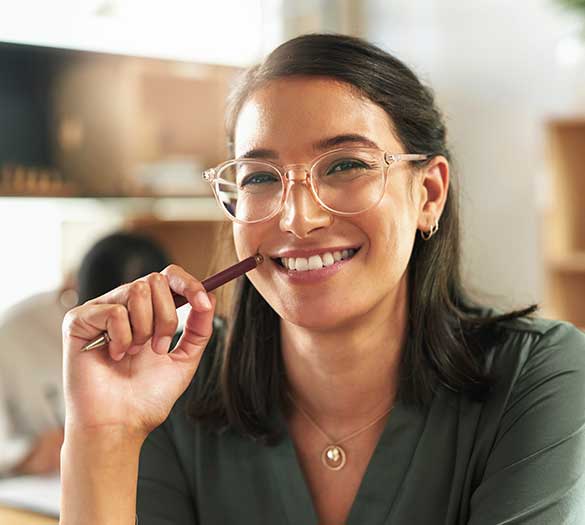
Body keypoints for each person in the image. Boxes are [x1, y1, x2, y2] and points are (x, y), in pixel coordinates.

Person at [59, 34, 585, 525]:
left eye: (345, 166)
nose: (297, 218)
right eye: (261, 178)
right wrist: (103, 436)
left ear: (428, 195)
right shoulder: (171, 388)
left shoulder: (537, 377)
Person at [0, 231, 170, 477]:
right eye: (102, 319)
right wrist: (29, 454)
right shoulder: (15, 331)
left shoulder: (178, 336)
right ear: (71, 285)